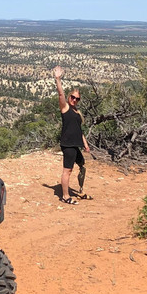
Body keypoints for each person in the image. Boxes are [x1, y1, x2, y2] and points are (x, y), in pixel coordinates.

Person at [53, 66, 92, 205]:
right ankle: (65, 196)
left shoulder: (76, 112)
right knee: (67, 170)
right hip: (68, 144)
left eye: (77, 99)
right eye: (73, 97)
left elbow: (79, 130)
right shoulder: (65, 108)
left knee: (82, 165)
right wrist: (58, 79)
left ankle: (80, 190)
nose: (74, 100)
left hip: (76, 145)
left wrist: (85, 144)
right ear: (69, 97)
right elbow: (60, 95)